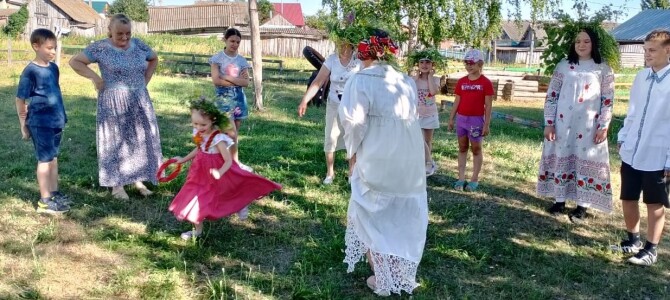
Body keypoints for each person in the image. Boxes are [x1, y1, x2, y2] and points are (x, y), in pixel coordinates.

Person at [339, 29, 427, 296]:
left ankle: (382, 276)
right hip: (408, 157)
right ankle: (398, 271)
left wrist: (352, 154)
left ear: (362, 51)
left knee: (368, 211)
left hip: (377, 154)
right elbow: (414, 119)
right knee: (401, 213)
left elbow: (354, 123)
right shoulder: (405, 81)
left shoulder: (360, 80)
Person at [69, 13, 162, 200]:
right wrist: (95, 78)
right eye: (120, 33)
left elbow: (154, 58)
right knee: (115, 141)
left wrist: (146, 79)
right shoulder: (101, 48)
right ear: (110, 30)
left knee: (139, 139)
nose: (125, 37)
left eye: (128, 33)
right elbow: (75, 62)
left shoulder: (139, 45)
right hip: (113, 101)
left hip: (138, 100)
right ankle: (117, 185)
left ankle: (138, 179)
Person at [168, 98, 282, 240]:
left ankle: (240, 204)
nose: (198, 127)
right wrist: (183, 159)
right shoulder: (198, 133)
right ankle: (197, 230)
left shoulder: (218, 139)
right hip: (200, 171)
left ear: (213, 121)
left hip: (218, 169)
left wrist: (219, 172)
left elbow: (228, 160)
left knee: (226, 191)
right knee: (196, 194)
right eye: (195, 123)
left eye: (203, 124)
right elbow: (199, 149)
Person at [537, 28, 615, 223]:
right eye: (578, 41)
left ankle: (582, 205)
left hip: (589, 128)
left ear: (594, 44)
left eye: (586, 41)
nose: (581, 45)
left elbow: (607, 100)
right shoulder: (563, 66)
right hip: (563, 125)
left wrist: (603, 126)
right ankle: (559, 200)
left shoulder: (603, 69)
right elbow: (552, 96)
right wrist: (549, 123)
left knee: (586, 160)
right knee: (562, 157)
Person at [612, 29, 670, 266]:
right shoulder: (640, 77)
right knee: (628, 197)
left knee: (654, 203)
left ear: (668, 50)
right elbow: (632, 111)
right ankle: (632, 240)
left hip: (657, 153)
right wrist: (624, 136)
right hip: (632, 150)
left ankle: (650, 250)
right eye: (645, 50)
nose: (647, 54)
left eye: (652, 50)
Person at [15, 28, 71, 214]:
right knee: (44, 160)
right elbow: (20, 99)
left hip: (56, 120)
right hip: (40, 122)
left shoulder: (54, 68)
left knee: (53, 158)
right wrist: (23, 123)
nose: (53, 52)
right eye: (49, 48)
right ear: (36, 46)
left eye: (54, 48)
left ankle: (54, 193)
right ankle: (44, 200)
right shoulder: (30, 71)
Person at [298, 35, 361, 185]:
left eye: (344, 40)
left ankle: (352, 172)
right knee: (331, 136)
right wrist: (304, 100)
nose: (341, 44)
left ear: (351, 42)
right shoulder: (332, 59)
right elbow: (318, 81)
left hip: (353, 105)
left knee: (353, 137)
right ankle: (330, 173)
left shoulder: (359, 60)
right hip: (334, 104)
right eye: (339, 41)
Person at [447, 49, 494, 192]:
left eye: (472, 63)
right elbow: (457, 101)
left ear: (480, 64)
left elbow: (488, 105)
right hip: (462, 120)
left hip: (476, 121)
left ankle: (474, 179)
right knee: (462, 148)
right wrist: (451, 119)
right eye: (466, 63)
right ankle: (461, 178)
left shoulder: (486, 83)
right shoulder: (461, 82)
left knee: (476, 149)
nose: (469, 66)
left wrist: (486, 124)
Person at [209, 28, 253, 172]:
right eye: (232, 41)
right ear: (225, 40)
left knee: (234, 132)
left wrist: (227, 77)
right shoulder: (217, 59)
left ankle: (225, 160)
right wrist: (237, 80)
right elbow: (216, 80)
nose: (235, 44)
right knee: (230, 132)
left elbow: (246, 83)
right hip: (223, 98)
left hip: (239, 97)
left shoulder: (242, 61)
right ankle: (235, 163)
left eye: (238, 42)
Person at [410, 51, 441, 176]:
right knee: (419, 139)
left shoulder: (435, 79)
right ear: (417, 64)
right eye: (421, 62)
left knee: (428, 141)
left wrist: (429, 77)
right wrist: (416, 77)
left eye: (427, 62)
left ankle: (426, 164)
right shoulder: (413, 79)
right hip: (417, 114)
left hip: (431, 114)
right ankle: (428, 162)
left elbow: (433, 92)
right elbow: (410, 90)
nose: (424, 65)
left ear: (432, 64)